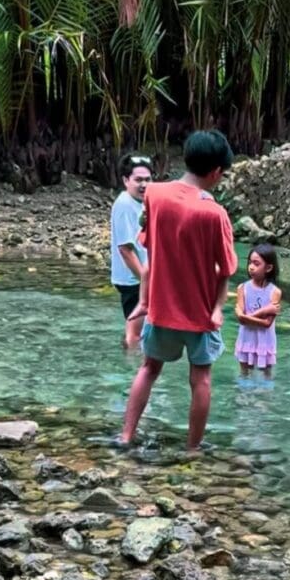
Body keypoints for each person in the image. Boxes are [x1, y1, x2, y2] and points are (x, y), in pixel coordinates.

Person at [119, 130, 238, 450]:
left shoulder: (155, 195)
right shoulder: (215, 213)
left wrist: (145, 300)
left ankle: (126, 436)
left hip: (161, 309)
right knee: (201, 379)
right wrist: (217, 309)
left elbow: (150, 251)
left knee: (148, 369)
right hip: (201, 314)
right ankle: (192, 449)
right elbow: (226, 269)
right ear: (216, 172)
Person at [110, 154, 152, 349]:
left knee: (140, 329)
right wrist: (146, 281)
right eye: (138, 180)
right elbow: (125, 249)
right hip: (133, 280)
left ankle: (135, 360)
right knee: (135, 334)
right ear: (126, 180)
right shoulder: (125, 204)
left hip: (140, 277)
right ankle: (132, 363)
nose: (144, 184)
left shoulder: (141, 202)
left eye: (148, 179)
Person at [234, 244, 282, 379]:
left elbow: (267, 323)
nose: (251, 267)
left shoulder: (275, 292)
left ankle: (265, 393)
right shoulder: (242, 288)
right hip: (246, 338)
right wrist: (265, 310)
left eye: (256, 264)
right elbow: (241, 320)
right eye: (250, 263)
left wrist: (245, 316)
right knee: (244, 374)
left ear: (268, 268)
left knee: (266, 375)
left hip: (265, 340)